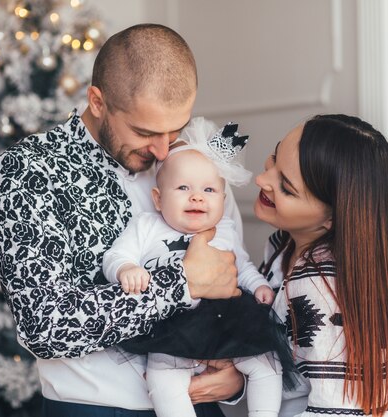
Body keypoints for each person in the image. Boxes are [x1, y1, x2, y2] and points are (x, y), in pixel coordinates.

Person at [0, 24, 244, 417]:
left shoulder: (194, 166)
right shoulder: (29, 171)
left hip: (200, 407)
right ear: (97, 101)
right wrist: (180, 284)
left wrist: (238, 377)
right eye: (144, 132)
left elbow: (234, 276)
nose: (162, 150)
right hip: (97, 408)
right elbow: (46, 326)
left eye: (174, 130)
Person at [103, 118, 295, 417]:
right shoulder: (147, 226)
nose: (197, 197)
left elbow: (240, 266)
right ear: (157, 198)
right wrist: (126, 268)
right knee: (163, 378)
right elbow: (116, 255)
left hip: (228, 321)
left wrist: (257, 285)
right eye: (182, 188)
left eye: (209, 190)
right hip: (175, 325)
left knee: (266, 364)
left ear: (221, 197)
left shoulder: (225, 228)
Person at [253, 114, 388, 417]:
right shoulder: (283, 246)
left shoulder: (323, 288)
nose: (262, 179)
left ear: (333, 217)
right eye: (274, 158)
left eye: (286, 187)